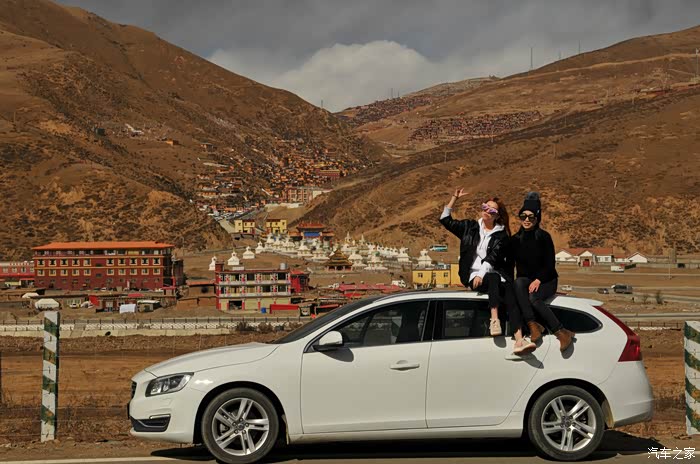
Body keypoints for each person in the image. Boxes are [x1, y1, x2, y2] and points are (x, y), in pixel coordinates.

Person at [440, 188, 522, 339]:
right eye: (485, 207)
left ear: (497, 215)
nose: (486, 211)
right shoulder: (469, 227)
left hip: (494, 274)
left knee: (510, 293)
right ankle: (494, 319)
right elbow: (445, 220)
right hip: (473, 275)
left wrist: (482, 274)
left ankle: (519, 338)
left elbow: (492, 258)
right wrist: (454, 198)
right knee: (493, 278)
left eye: (491, 210)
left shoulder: (501, 235)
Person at [510, 192, 575, 352]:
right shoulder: (516, 239)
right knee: (518, 283)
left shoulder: (544, 237)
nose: (526, 220)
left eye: (531, 216)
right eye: (523, 216)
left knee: (534, 297)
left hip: (547, 280)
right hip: (527, 280)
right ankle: (533, 325)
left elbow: (549, 264)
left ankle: (561, 332)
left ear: (537, 218)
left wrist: (538, 279)